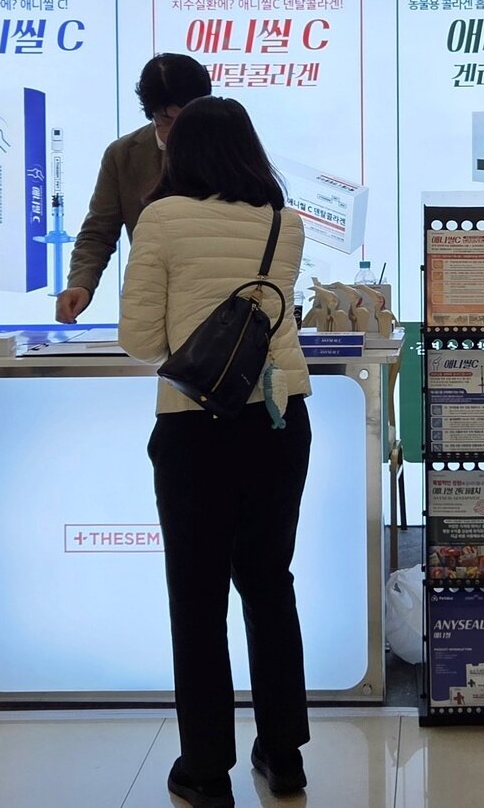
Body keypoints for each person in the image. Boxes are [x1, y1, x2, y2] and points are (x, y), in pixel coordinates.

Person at [119, 96, 311, 808]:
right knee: (269, 583)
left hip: (196, 425)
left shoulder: (162, 218)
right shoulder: (284, 221)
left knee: (197, 599)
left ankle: (205, 770)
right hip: (280, 419)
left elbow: (141, 340)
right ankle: (284, 755)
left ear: (181, 151)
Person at [56, 53, 213, 324]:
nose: (181, 131)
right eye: (168, 121)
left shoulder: (231, 151)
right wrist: (81, 283)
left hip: (220, 301)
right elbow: (98, 232)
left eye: (189, 119)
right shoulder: (124, 155)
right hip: (153, 302)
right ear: (152, 113)